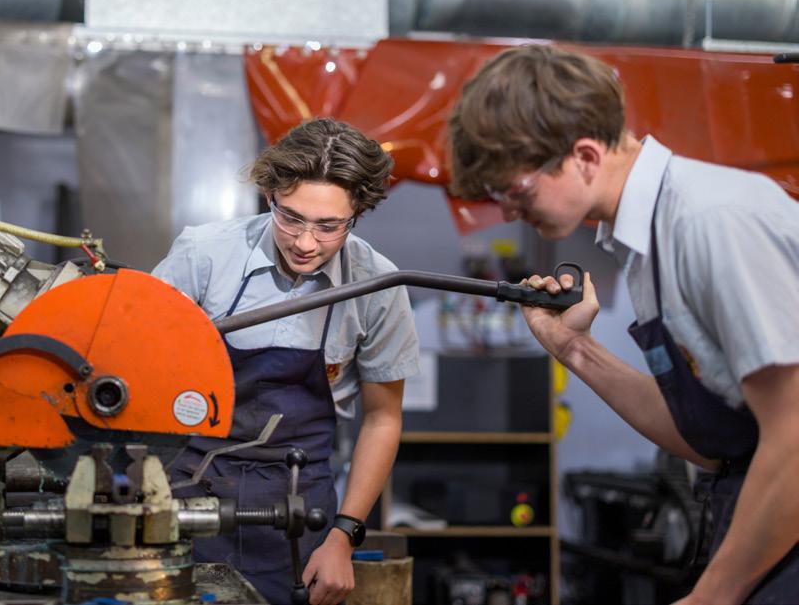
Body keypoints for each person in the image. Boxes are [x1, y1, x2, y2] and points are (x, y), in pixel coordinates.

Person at [447, 44, 799, 605]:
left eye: (516, 192)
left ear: (585, 156)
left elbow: (794, 435)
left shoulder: (710, 222)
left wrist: (712, 595)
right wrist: (574, 348)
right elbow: (712, 442)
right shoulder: (646, 238)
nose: (509, 213)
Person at [152, 118, 420, 605]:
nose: (305, 242)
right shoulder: (203, 256)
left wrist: (343, 536)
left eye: (328, 226)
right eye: (290, 218)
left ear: (357, 213)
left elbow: (383, 418)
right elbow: (139, 373)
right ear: (269, 194)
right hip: (187, 491)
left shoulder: (378, 286)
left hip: (301, 507)